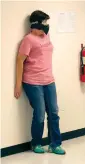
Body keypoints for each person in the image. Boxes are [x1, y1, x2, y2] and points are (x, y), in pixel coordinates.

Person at [14, 10, 66, 155]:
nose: (46, 26)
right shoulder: (28, 40)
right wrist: (18, 84)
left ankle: (55, 144)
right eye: (44, 23)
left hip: (49, 80)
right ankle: (36, 143)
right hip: (33, 82)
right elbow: (19, 61)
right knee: (40, 114)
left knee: (54, 112)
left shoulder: (47, 36)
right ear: (35, 24)